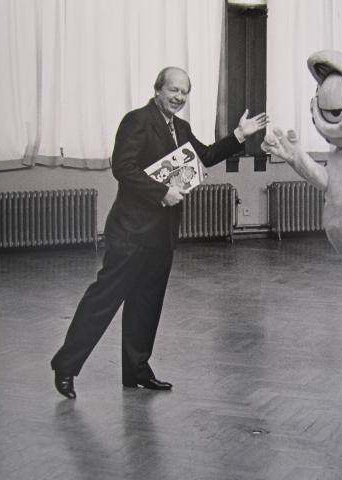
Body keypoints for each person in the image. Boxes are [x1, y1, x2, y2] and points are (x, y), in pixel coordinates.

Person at [51, 66, 269, 399]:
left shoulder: (181, 127)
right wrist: (160, 192)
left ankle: (136, 371)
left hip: (162, 234)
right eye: (173, 90)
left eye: (185, 92)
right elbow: (122, 167)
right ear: (158, 90)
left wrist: (239, 136)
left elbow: (206, 156)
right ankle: (65, 367)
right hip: (130, 232)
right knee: (103, 301)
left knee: (147, 305)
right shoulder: (137, 120)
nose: (179, 97)